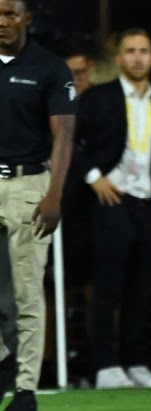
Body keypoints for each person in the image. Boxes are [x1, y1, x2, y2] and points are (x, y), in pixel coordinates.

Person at [71, 27, 151, 389]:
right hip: (110, 200)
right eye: (130, 50)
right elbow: (68, 142)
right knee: (107, 287)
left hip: (148, 203)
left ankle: (136, 363)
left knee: (141, 288)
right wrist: (93, 177)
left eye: (143, 50)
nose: (137, 57)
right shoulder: (98, 98)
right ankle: (105, 365)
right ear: (118, 58)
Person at [0, 0, 77, 408]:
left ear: (27, 19)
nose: (2, 22)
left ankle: (25, 388)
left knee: (28, 292)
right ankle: (3, 360)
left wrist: (54, 194)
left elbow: (64, 134)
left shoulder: (49, 67)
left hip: (29, 183)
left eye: (10, 14)